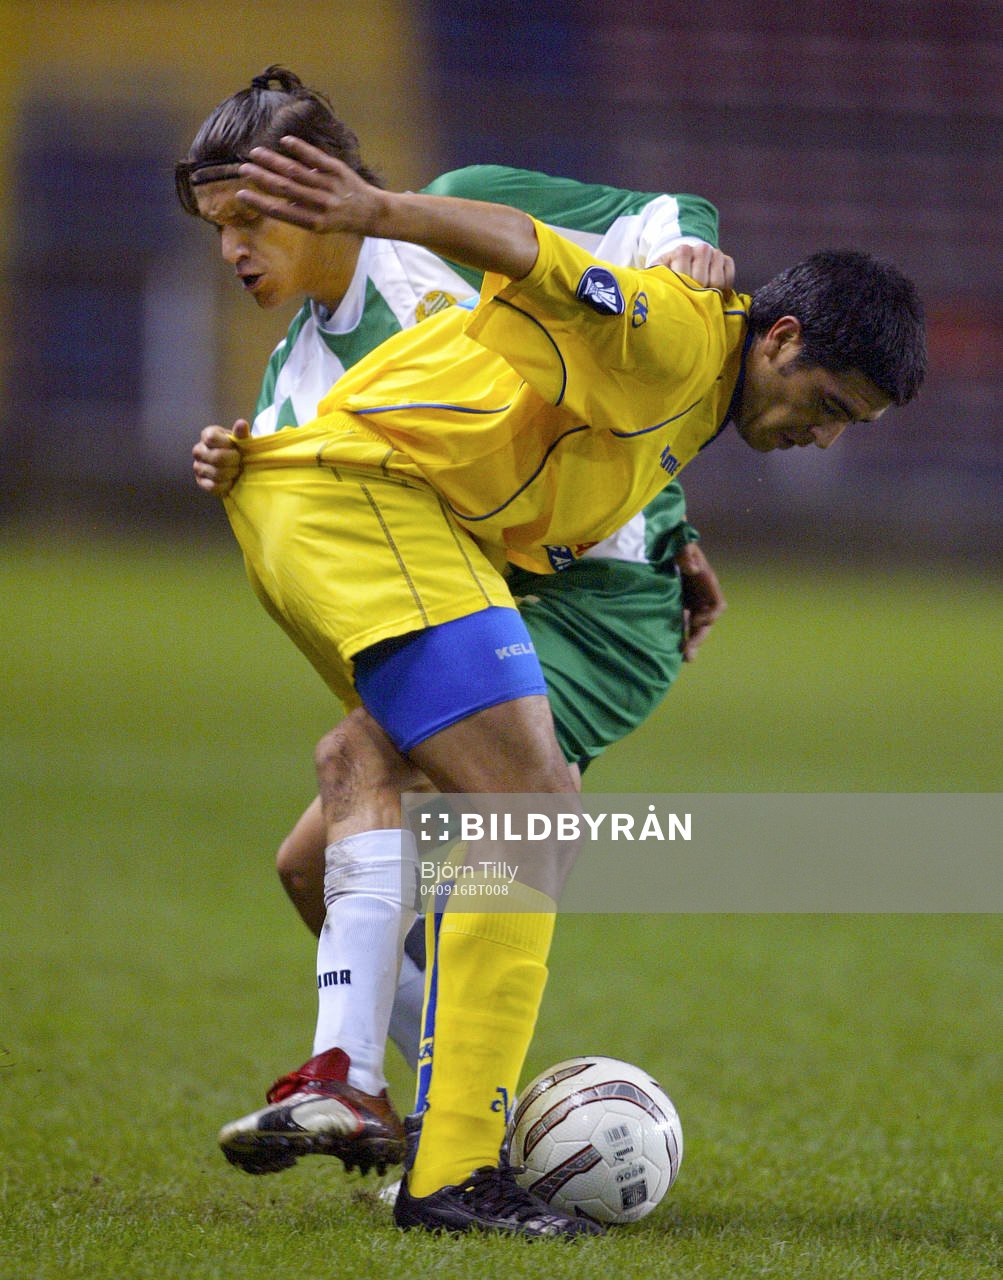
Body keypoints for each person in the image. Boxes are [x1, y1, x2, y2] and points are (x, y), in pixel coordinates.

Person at [180, 106, 925, 1238]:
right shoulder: (681, 331)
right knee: (528, 807)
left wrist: (673, 535)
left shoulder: (672, 364)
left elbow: (577, 371)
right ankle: (451, 1158)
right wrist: (383, 208)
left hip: (364, 528)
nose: (824, 439)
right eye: (828, 407)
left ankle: (373, 1090)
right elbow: (542, 256)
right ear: (777, 340)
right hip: (376, 519)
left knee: (337, 834)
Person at [179, 68, 726, 1186]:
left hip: (606, 594)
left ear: (324, 185)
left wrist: (686, 258)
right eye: (217, 227)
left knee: (417, 785)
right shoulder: (293, 387)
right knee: (309, 864)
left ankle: (412, 1104)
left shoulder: (453, 219)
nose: (231, 249)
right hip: (503, 595)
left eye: (249, 218)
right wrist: (243, 462)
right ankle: (422, 1102)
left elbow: (663, 220)